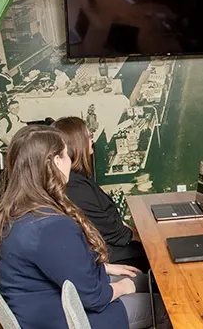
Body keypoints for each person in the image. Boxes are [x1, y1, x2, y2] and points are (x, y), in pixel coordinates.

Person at [0, 125, 171, 328]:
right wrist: (124, 287)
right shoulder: (51, 226)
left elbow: (58, 263)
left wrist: (104, 267)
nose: (70, 162)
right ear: (56, 162)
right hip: (69, 319)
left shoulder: (13, 213)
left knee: (147, 281)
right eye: (66, 155)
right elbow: (93, 297)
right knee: (165, 306)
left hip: (37, 311)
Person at [53, 116, 150, 274]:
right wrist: (148, 240)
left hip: (109, 247)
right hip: (110, 254)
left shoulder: (78, 180)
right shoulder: (75, 187)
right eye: (89, 137)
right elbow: (114, 232)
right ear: (77, 144)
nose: (92, 140)